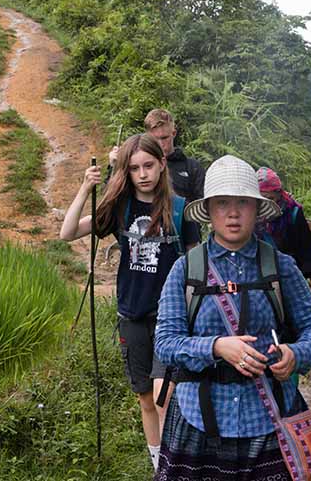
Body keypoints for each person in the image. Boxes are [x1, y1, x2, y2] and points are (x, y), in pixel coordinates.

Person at [153, 155, 311, 480]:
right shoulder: (186, 270)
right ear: (208, 211)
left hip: (268, 418)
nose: (232, 213)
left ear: (256, 209)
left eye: (242, 203)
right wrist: (217, 347)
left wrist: (296, 354)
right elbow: (165, 343)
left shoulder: (281, 267)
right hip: (199, 420)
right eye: (222, 203)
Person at [60, 134, 200, 471]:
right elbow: (67, 233)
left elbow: (197, 268)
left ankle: (172, 467)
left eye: (149, 165)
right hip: (132, 314)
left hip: (171, 318)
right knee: (145, 397)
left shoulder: (181, 211)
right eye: (135, 168)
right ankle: (158, 464)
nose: (143, 174)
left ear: (162, 164)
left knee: (163, 395)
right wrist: (85, 189)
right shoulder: (121, 209)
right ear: (127, 171)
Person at [255, 167, 311, 296]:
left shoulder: (292, 212)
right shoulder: (250, 213)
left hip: (289, 274)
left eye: (270, 199)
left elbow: (306, 246)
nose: (266, 205)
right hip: (259, 275)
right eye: (261, 200)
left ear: (279, 194)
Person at [109, 109, 205, 200]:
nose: (160, 144)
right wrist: (115, 166)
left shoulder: (192, 167)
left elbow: (201, 206)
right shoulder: (136, 164)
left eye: (164, 138)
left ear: (174, 133)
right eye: (155, 139)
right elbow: (112, 198)